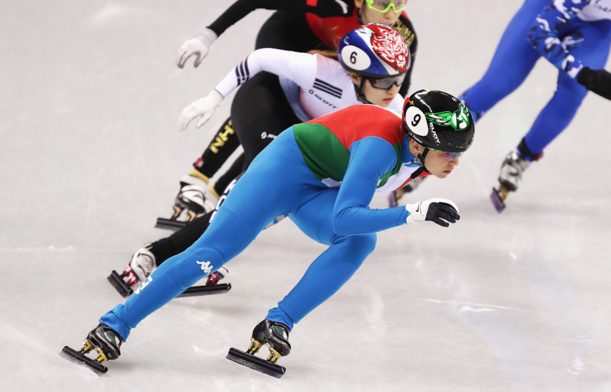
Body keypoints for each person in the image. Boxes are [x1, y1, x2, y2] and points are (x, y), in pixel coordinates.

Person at [64, 89, 475, 373]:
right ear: (418, 144)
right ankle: (113, 324)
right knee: (211, 254)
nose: (454, 161)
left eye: (460, 152)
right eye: (448, 152)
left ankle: (276, 324)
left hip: (316, 185)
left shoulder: (414, 153)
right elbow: (345, 216)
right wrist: (412, 213)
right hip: (282, 169)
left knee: (359, 243)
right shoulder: (381, 147)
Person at [113, 24, 417, 294]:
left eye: (399, 79)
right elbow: (259, 59)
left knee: (272, 207)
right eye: (382, 82)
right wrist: (213, 98)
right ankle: (158, 256)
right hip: (264, 100)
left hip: (301, 135)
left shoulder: (395, 109)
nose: (393, 89)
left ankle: (174, 254)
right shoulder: (324, 71)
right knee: (255, 194)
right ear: (354, 74)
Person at [170, 0, 418, 221]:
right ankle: (198, 177)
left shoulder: (405, 38)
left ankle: (219, 191)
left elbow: (393, 95)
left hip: (335, 63)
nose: (391, 14)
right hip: (290, 37)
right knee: (266, 96)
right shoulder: (334, 4)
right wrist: (208, 35)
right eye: (383, 4)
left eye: (400, 4)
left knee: (288, 130)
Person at [455, 0, 611, 212]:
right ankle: (431, 140)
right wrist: (583, 73)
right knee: (498, 83)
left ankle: (523, 157)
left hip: (596, 25)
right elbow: (539, 33)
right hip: (546, 9)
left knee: (572, 95)